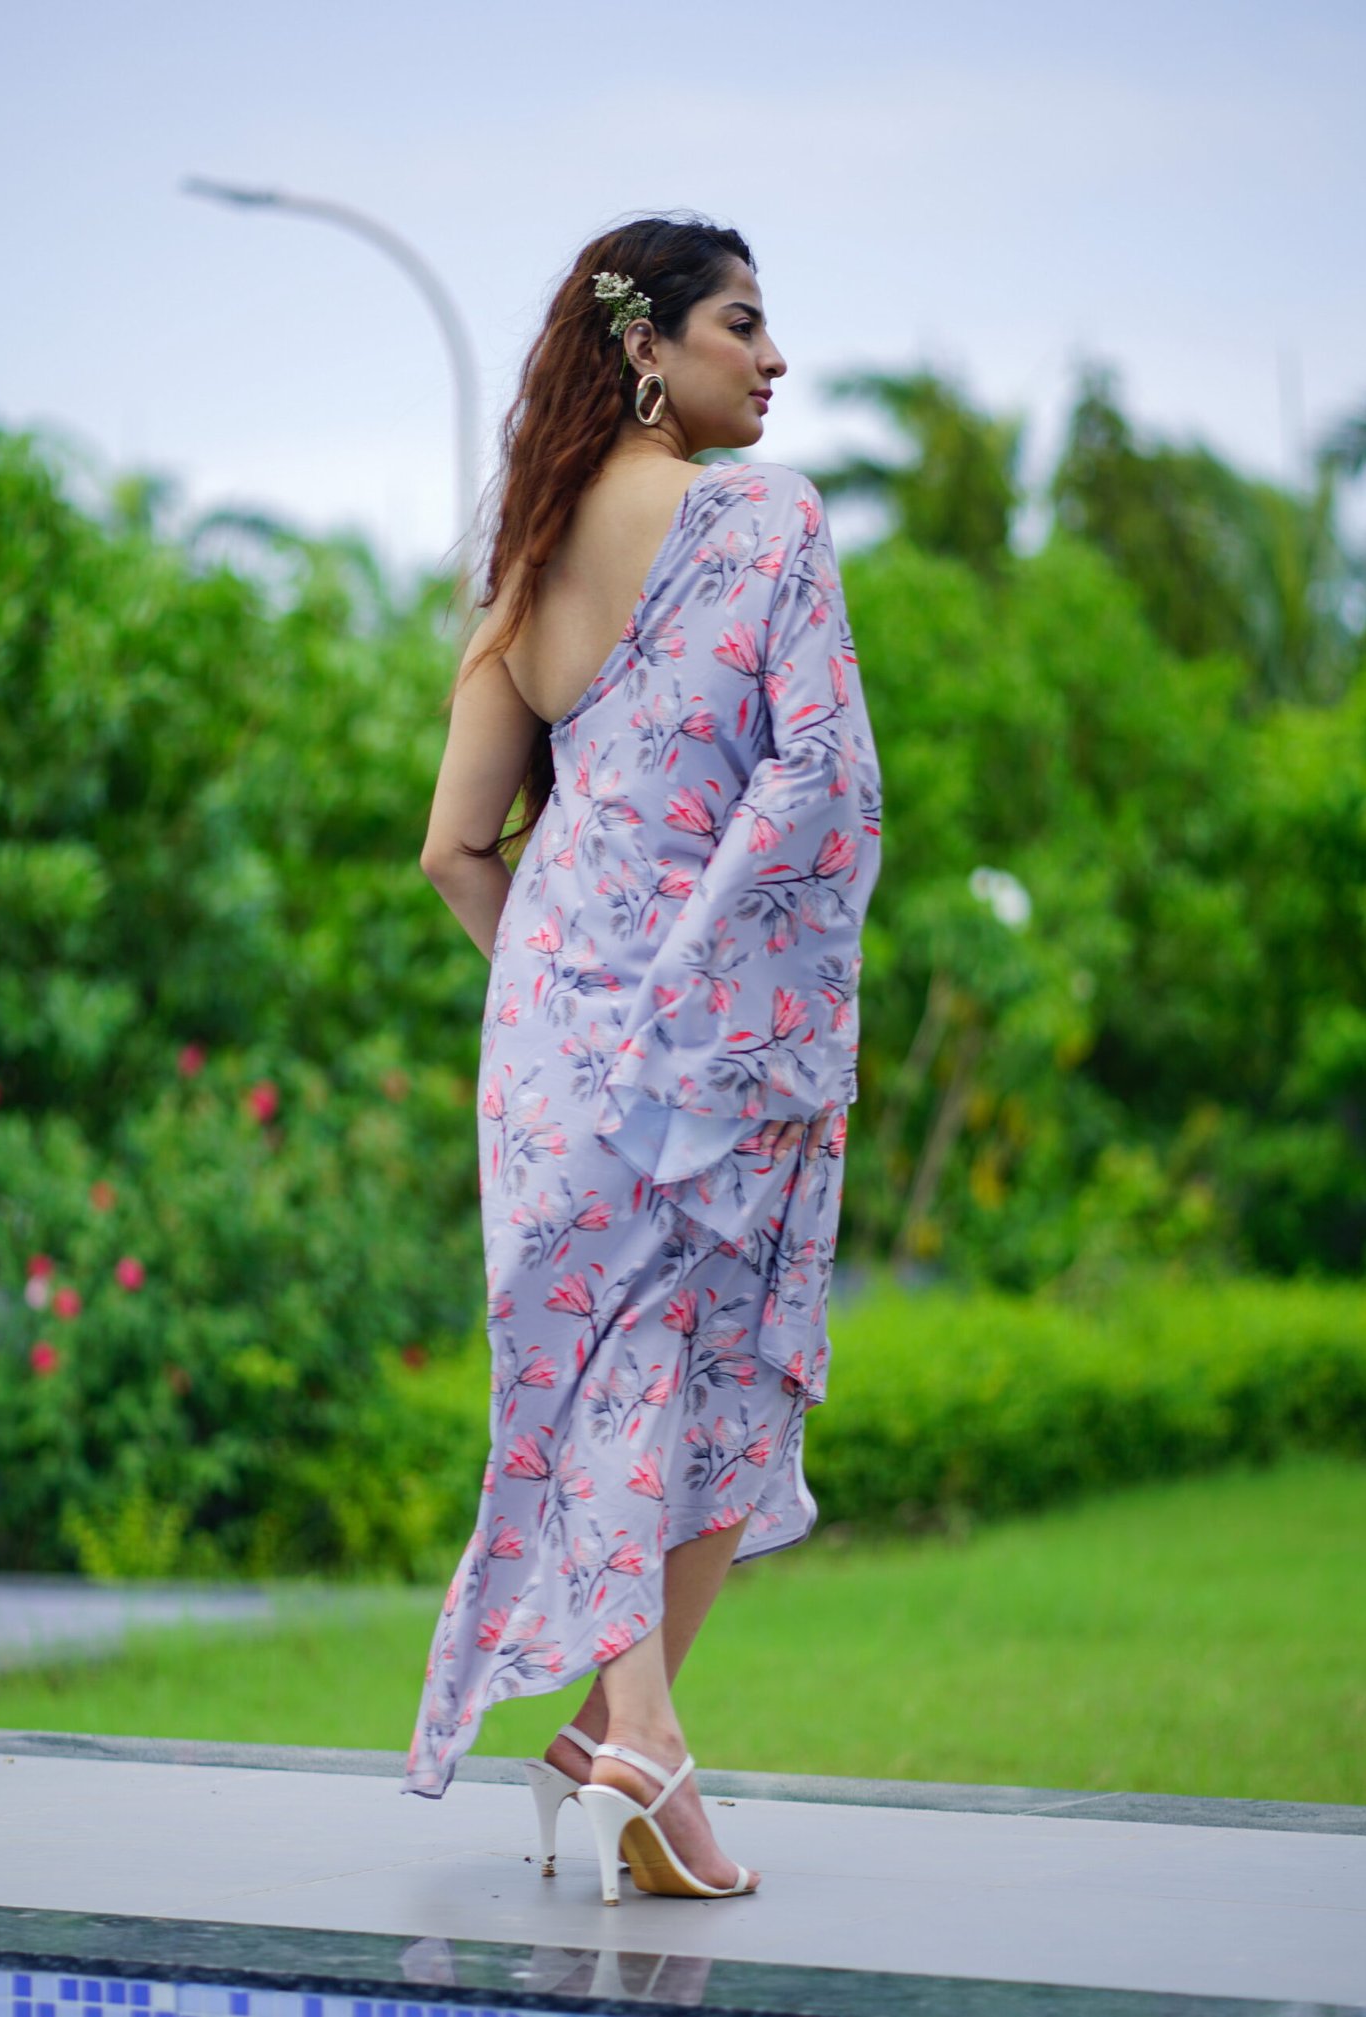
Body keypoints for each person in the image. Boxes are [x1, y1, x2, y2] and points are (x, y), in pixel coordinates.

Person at [405, 214, 883, 1905]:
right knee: (725, 1371)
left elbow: (456, 850)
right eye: (742, 322)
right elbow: (821, 781)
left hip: (551, 1043)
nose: (774, 357)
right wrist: (704, 999)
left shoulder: (523, 574)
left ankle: (620, 1737)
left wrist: (570, 1009)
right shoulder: (765, 519)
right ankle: (645, 1741)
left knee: (609, 1375)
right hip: (718, 1037)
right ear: (645, 348)